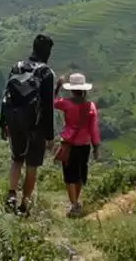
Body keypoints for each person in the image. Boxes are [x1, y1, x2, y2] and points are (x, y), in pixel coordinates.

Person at [0, 34, 55, 215]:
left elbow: (6, 95)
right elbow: (47, 106)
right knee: (32, 166)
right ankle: (24, 205)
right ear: (47, 52)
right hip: (35, 127)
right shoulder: (45, 72)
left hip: (15, 121)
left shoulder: (17, 66)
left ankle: (11, 194)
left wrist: (3, 122)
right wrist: (50, 136)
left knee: (16, 159)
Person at [54, 72, 101, 217]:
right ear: (84, 89)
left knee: (69, 175)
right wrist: (96, 147)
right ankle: (76, 202)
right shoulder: (91, 106)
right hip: (84, 145)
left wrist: (57, 87)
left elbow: (51, 102)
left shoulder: (65, 103)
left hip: (68, 144)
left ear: (71, 89)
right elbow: (94, 129)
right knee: (80, 175)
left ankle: (74, 204)